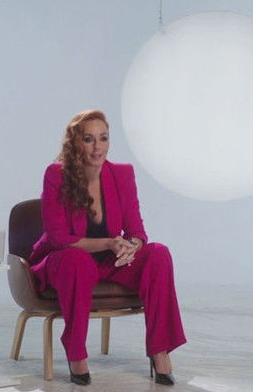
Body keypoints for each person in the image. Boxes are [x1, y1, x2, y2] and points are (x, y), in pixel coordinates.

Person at [28, 109, 187, 386]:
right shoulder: (56, 174)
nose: (97, 147)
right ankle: (76, 354)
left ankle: (160, 351)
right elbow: (58, 238)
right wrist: (110, 242)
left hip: (109, 262)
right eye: (88, 139)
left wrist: (131, 247)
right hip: (65, 262)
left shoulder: (122, 174)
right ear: (76, 142)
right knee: (76, 261)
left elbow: (137, 231)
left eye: (103, 138)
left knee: (158, 253)